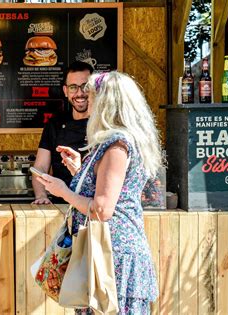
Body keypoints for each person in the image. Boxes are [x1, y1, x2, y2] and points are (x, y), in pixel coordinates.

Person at [35, 71, 161, 314]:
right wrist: (80, 171)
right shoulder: (119, 141)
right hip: (106, 250)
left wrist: (64, 192)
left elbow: (103, 209)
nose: (87, 99)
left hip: (113, 254)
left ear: (106, 102)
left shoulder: (117, 144)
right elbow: (110, 189)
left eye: (91, 95)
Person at [32, 61, 94, 204]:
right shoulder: (55, 124)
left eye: (85, 86)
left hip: (93, 207)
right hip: (60, 207)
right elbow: (39, 168)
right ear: (66, 91)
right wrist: (41, 196)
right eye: (73, 87)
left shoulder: (104, 125)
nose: (80, 93)